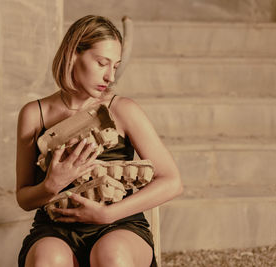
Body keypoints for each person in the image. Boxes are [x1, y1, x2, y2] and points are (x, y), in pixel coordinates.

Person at [16, 15, 183, 267]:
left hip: (119, 225)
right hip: (55, 227)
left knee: (111, 257)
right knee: (47, 261)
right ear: (73, 54)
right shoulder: (34, 114)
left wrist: (107, 214)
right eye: (102, 63)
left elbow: (172, 181)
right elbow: (24, 198)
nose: (109, 77)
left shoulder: (123, 110)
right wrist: (50, 185)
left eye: (115, 66)